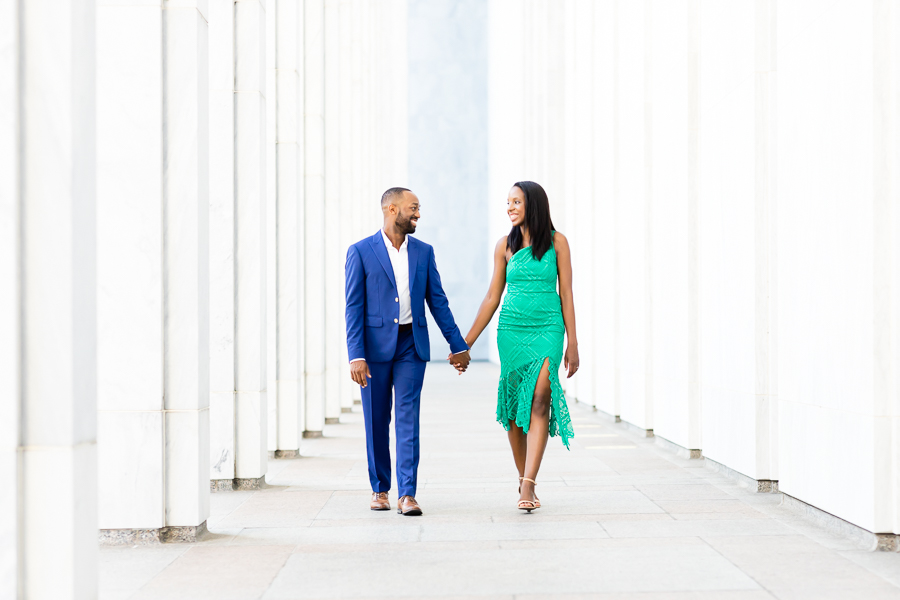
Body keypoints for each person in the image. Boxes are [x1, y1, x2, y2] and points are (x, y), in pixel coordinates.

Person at [345, 187, 471, 516]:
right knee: (376, 419)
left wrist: (458, 345)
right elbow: (353, 307)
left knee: (407, 418)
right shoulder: (360, 252)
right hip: (372, 351)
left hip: (411, 346)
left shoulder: (424, 253)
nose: (417, 214)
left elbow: (438, 302)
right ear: (391, 209)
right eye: (412, 208)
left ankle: (408, 494)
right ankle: (380, 488)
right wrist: (355, 354)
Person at [459, 181, 577, 512]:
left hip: (548, 329)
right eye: (508, 202)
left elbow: (566, 294)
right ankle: (525, 477)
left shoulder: (558, 243)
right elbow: (492, 297)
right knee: (513, 411)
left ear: (533, 205)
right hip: (511, 330)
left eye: (516, 202)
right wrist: (464, 343)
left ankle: (528, 484)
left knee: (540, 399)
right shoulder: (504, 246)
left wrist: (573, 341)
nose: (509, 208)